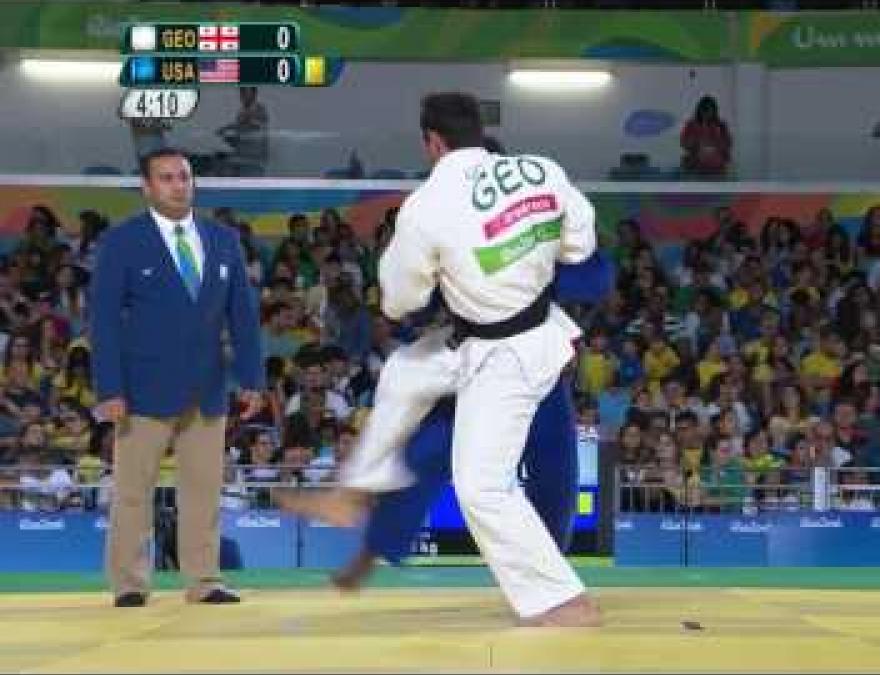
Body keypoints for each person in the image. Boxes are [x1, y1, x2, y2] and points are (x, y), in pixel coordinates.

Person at [277, 92, 599, 627]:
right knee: (403, 374)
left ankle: (563, 599)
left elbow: (400, 300)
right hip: (508, 332)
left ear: (432, 141)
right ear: (479, 128)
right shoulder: (542, 171)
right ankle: (352, 491)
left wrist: (451, 276)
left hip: (507, 354)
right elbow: (580, 244)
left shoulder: (427, 205)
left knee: (480, 483)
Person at [333, 250, 613, 589]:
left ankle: (547, 572)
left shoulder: (540, 226)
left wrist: (551, 261)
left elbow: (593, 281)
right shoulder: (450, 231)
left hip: (535, 364)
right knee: (426, 454)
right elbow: (413, 301)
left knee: (555, 474)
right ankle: (374, 547)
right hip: (471, 361)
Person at [89, 147, 265, 608]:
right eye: (166, 178)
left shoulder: (222, 239)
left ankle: (204, 580)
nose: (177, 185)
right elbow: (103, 320)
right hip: (141, 391)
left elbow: (243, 317)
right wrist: (109, 389)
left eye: (184, 176)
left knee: (204, 490)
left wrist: (251, 378)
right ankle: (129, 582)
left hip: (208, 388)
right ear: (147, 187)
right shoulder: (124, 242)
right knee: (133, 492)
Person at [217, 87, 269, 177]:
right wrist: (228, 136)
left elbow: (252, 127)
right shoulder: (241, 112)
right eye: (241, 93)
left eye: (245, 93)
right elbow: (239, 130)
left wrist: (232, 128)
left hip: (254, 160)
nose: (242, 96)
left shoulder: (259, 110)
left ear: (254, 94)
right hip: (242, 156)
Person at [680, 96, 732, 178]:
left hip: (717, 167)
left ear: (714, 110)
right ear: (699, 110)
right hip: (696, 165)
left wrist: (715, 144)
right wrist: (697, 142)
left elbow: (727, 143)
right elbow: (684, 143)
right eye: (704, 109)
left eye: (709, 109)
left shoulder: (720, 125)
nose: (707, 113)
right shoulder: (691, 125)